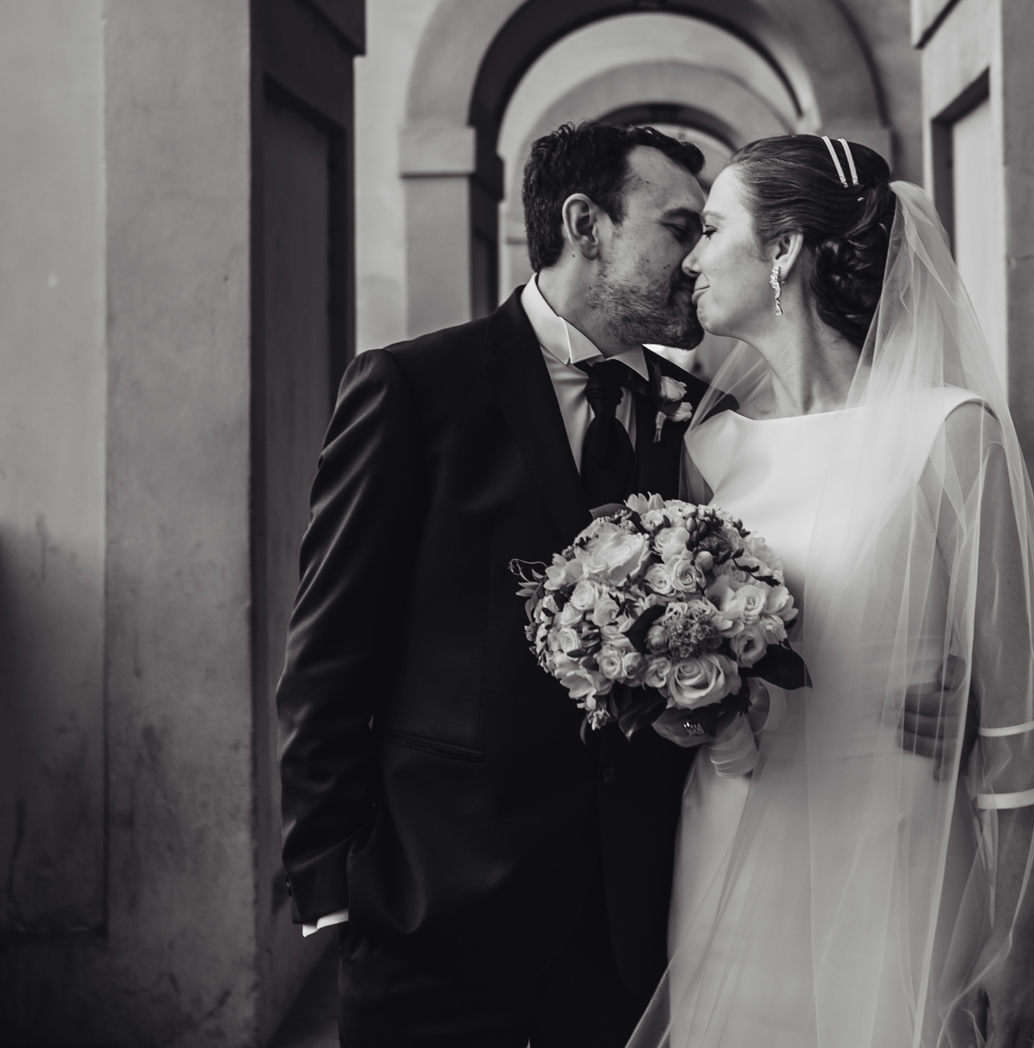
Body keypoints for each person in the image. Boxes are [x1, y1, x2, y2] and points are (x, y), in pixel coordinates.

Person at [628, 136, 1034, 1048]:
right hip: (731, 828)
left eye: (712, 226)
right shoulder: (708, 451)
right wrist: (677, 707)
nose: (690, 258)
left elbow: (1015, 715)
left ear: (784, 251)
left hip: (898, 842)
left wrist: (1019, 935)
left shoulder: (951, 434)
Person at [277, 121, 722, 1046]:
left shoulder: (696, 418)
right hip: (436, 899)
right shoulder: (415, 388)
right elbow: (330, 647)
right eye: (681, 228)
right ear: (585, 223)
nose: (701, 257)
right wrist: (329, 874)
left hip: (628, 917)